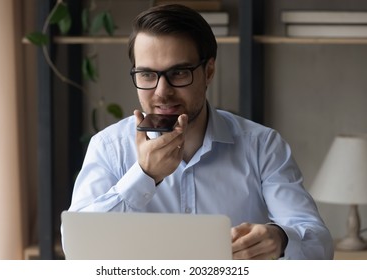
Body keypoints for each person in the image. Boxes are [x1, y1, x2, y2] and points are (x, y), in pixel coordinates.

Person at [66, 4, 334, 260]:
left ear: (209, 71)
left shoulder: (262, 146)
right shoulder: (108, 147)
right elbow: (77, 248)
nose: (162, 92)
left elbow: (319, 245)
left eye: (179, 73)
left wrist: (281, 239)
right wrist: (144, 176)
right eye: (147, 75)